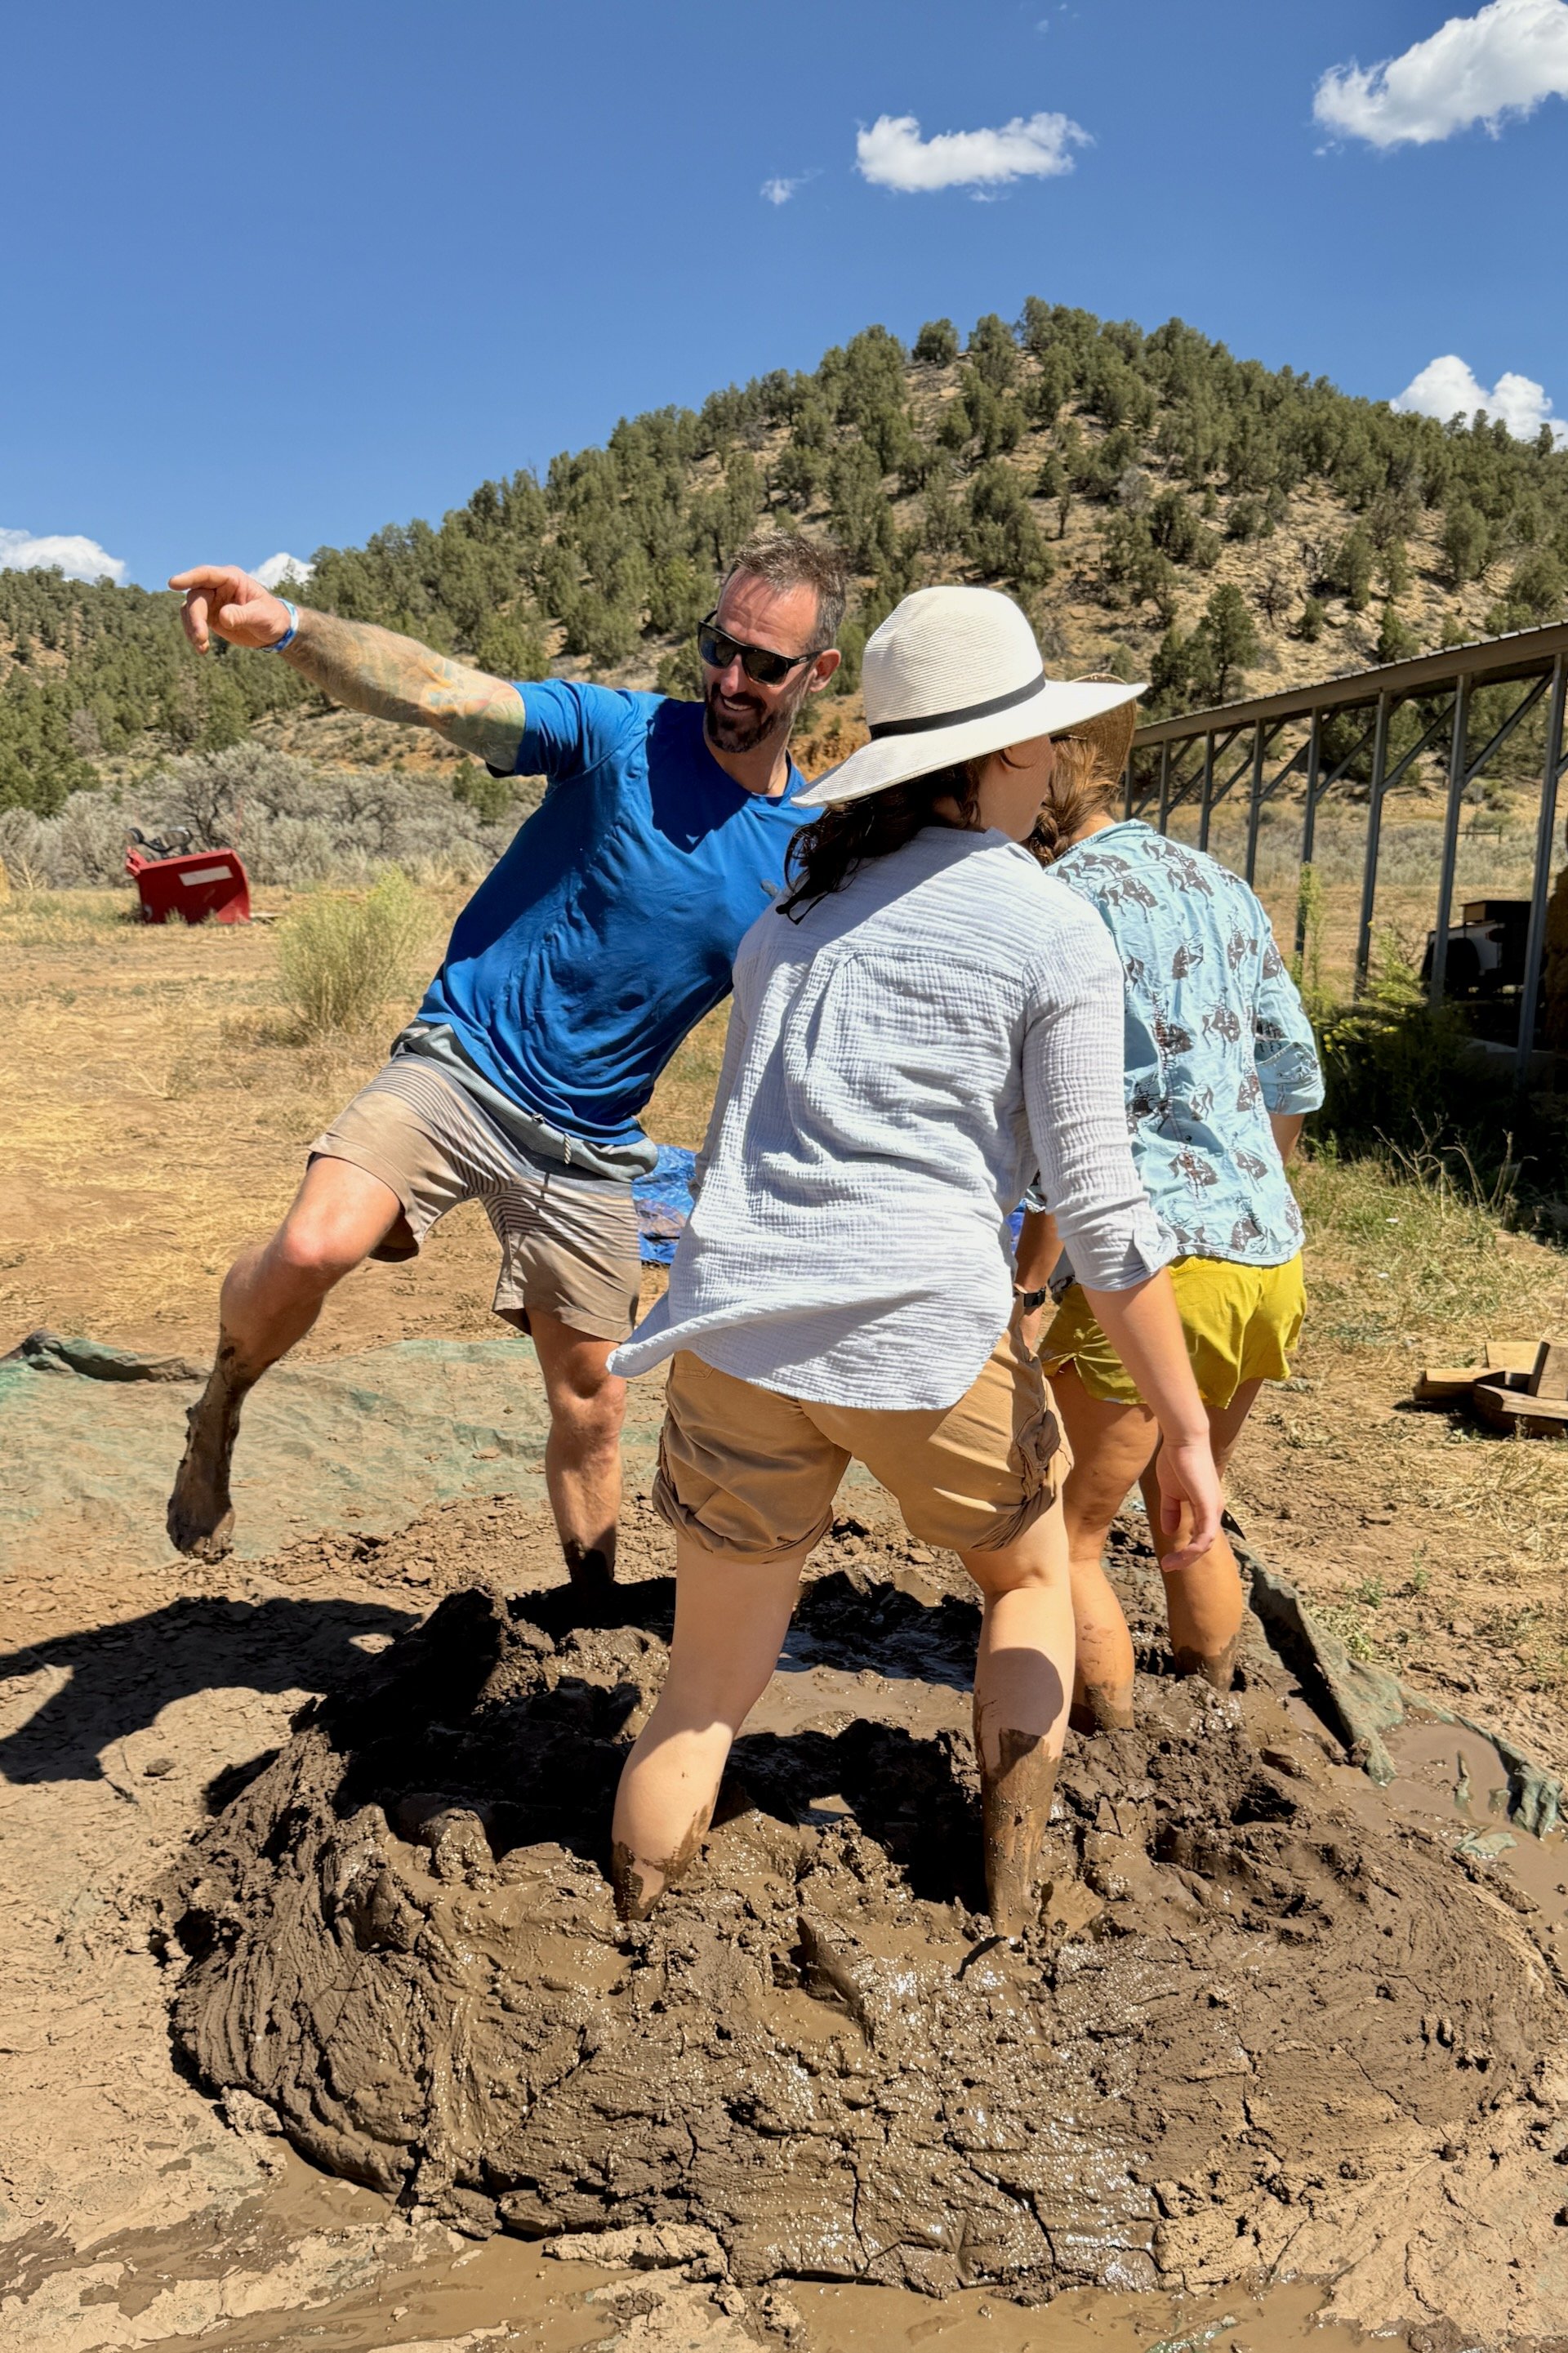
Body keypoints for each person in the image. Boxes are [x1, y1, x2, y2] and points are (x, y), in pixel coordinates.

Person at [603, 587, 1223, 1936]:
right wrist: (1183, 1430)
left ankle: (632, 1940)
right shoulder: (1048, 925)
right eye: (1045, 742)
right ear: (1004, 756)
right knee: (1027, 1579)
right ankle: (1007, 1894)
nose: (1057, 765)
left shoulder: (794, 917)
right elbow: (1105, 1220)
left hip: (733, 1333)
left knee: (701, 1692)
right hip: (928, 1340)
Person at [163, 532, 848, 1595]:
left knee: (595, 1400)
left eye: (763, 663)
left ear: (817, 675)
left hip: (592, 1141)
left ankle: (589, 1611)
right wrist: (291, 628)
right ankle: (223, 1395)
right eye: (721, 646)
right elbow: (445, 692)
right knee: (313, 1243)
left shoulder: (802, 850)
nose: (730, 678)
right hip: (465, 1063)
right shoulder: (622, 733)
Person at [1013, 698, 1325, 1731]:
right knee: (1190, 1509)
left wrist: (1025, 1286)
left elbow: (1074, 1136)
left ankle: (1112, 1744)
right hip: (1265, 1260)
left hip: (1157, 1271)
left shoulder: (1055, 905)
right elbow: (1294, 1074)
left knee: (1066, 1534)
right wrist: (1251, 1196)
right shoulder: (1219, 882)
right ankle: (1212, 1711)